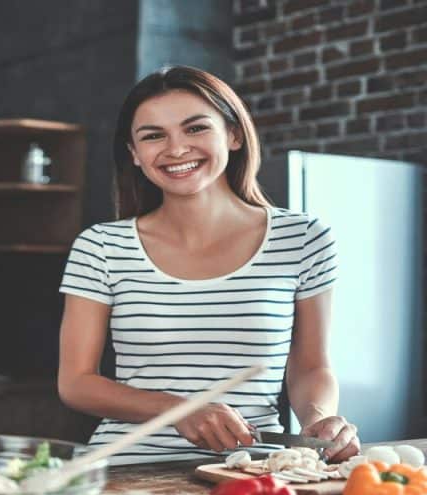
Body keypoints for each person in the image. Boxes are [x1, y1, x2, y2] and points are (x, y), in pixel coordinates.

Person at [57, 65, 359, 465]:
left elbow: (311, 367)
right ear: (134, 153)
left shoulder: (302, 238)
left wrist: (319, 420)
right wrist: (179, 408)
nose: (176, 148)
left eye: (195, 128)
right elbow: (77, 383)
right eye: (153, 136)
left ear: (233, 134)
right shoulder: (101, 247)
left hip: (255, 468)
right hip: (127, 467)